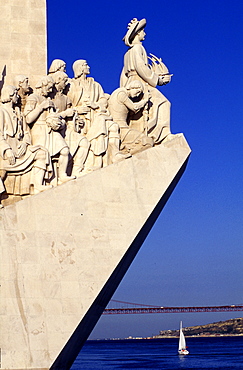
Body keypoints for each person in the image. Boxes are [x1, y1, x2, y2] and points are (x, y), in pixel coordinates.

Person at [120, 18, 173, 144]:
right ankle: (163, 136)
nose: (145, 34)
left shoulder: (127, 53)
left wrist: (124, 88)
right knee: (163, 103)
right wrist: (158, 80)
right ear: (137, 33)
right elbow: (141, 68)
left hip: (131, 83)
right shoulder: (138, 48)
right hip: (140, 82)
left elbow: (123, 75)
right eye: (143, 31)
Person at [68, 60, 128, 170]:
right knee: (98, 130)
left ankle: (113, 155)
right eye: (85, 65)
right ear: (80, 68)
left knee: (112, 127)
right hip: (80, 119)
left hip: (96, 115)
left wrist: (95, 105)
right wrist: (78, 110)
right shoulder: (72, 85)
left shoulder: (96, 85)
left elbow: (103, 100)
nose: (88, 67)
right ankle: (90, 163)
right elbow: (68, 105)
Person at [0, 85, 50, 206]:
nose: (18, 97)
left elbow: (27, 132)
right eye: (16, 95)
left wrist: (25, 143)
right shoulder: (1, 111)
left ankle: (38, 185)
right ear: (10, 96)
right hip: (7, 150)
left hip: (20, 149)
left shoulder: (19, 113)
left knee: (41, 153)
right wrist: (7, 150)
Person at [24, 75, 75, 184]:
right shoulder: (33, 98)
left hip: (51, 130)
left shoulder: (49, 100)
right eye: (49, 87)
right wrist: (41, 107)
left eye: (52, 87)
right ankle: (40, 183)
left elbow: (54, 116)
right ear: (42, 85)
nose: (51, 90)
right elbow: (28, 118)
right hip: (39, 130)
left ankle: (63, 175)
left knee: (65, 150)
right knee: (43, 156)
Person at [51, 71, 90, 177]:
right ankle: (62, 174)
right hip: (54, 131)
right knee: (65, 150)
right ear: (58, 80)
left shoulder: (66, 98)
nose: (66, 84)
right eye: (64, 81)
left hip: (67, 129)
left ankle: (77, 170)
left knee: (84, 142)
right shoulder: (50, 97)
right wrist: (64, 114)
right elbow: (49, 117)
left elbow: (70, 115)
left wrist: (77, 120)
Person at [108, 80, 153, 153]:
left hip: (121, 128)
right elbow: (134, 108)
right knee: (147, 141)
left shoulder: (119, 93)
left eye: (139, 93)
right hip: (121, 128)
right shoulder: (121, 94)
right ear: (132, 87)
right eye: (137, 91)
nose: (138, 95)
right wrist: (145, 100)